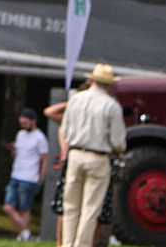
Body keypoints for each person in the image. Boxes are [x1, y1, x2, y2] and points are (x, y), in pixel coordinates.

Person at [59, 65, 125, 247]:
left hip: (75, 154)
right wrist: (119, 150)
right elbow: (118, 141)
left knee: (70, 206)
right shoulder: (111, 106)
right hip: (98, 157)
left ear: (92, 80)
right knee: (90, 209)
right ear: (109, 85)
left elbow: (65, 129)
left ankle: (67, 244)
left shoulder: (76, 100)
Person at [4, 107, 51, 241]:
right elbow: (17, 155)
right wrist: (13, 150)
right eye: (21, 123)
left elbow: (45, 159)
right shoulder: (20, 134)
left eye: (25, 123)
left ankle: (23, 234)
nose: (23, 126)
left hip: (30, 178)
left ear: (33, 121)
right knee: (8, 207)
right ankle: (26, 233)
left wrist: (41, 177)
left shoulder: (40, 138)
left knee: (25, 209)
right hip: (16, 175)